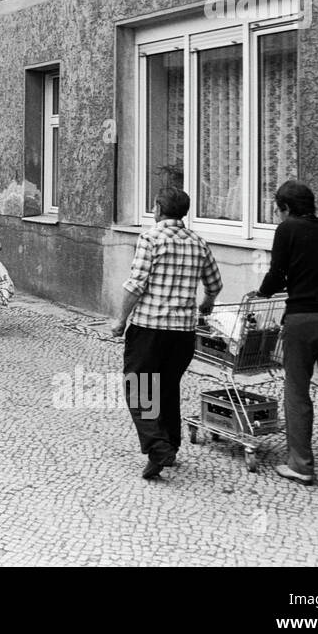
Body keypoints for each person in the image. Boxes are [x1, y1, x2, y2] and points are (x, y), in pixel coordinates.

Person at [250, 180, 318, 509]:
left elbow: (277, 272)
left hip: (303, 321)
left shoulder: (288, 230)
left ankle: (300, 465)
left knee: (297, 391)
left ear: (284, 209)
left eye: (278, 210)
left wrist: (262, 293)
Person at [111, 188, 222, 480]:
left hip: (149, 328)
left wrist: (121, 320)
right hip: (183, 334)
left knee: (138, 388)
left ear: (158, 208)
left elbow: (136, 284)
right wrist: (206, 305)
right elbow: (214, 283)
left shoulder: (150, 238)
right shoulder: (199, 242)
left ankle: (158, 447)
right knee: (167, 388)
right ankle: (171, 444)